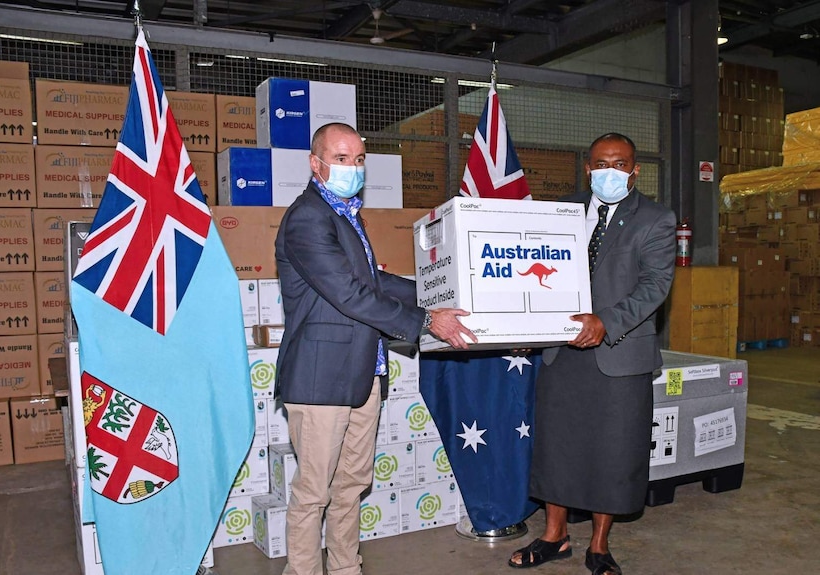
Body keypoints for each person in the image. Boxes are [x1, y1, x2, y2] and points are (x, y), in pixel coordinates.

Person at [275, 122, 477, 575]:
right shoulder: (308, 216)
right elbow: (348, 294)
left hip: (364, 371)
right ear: (316, 163)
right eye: (341, 158)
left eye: (359, 159)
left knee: (352, 483)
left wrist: (431, 295)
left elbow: (374, 281)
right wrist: (427, 321)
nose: (352, 167)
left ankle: (347, 567)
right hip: (320, 377)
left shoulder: (347, 214)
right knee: (314, 490)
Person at [508, 133, 676, 574]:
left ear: (635, 170)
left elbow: (655, 286)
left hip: (618, 353)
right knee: (557, 447)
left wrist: (608, 323)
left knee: (613, 450)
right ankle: (555, 535)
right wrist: (529, 325)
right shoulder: (563, 210)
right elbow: (537, 274)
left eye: (620, 164)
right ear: (587, 168)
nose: (610, 172)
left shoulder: (656, 218)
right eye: (601, 164)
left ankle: (599, 545)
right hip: (562, 353)